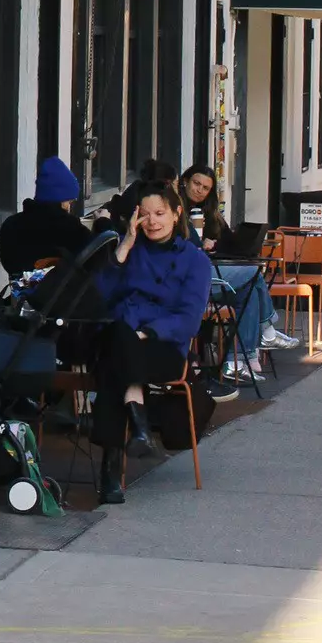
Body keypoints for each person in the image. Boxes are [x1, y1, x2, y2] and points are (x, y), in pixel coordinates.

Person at [89, 179, 213, 505]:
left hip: (163, 347)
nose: (153, 222)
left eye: (160, 213)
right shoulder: (129, 251)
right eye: (145, 215)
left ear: (176, 213)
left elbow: (188, 320)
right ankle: (137, 420)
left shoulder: (196, 260)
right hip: (122, 338)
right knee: (117, 339)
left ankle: (112, 469)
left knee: (115, 359)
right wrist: (124, 246)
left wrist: (146, 332)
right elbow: (98, 297)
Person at [181, 164, 297, 375]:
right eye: (196, 183)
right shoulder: (176, 212)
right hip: (195, 282)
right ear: (185, 181)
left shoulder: (212, 215)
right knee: (253, 274)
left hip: (214, 274)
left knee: (250, 291)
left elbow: (228, 242)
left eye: (205, 188)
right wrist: (200, 245)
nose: (199, 190)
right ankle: (266, 333)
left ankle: (237, 363)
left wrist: (219, 244)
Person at [0, 157, 92, 276]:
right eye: (69, 202)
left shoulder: (10, 224)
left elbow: (9, 263)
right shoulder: (68, 226)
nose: (69, 208)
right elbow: (98, 257)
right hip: (62, 292)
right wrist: (103, 222)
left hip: (21, 292)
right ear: (59, 199)